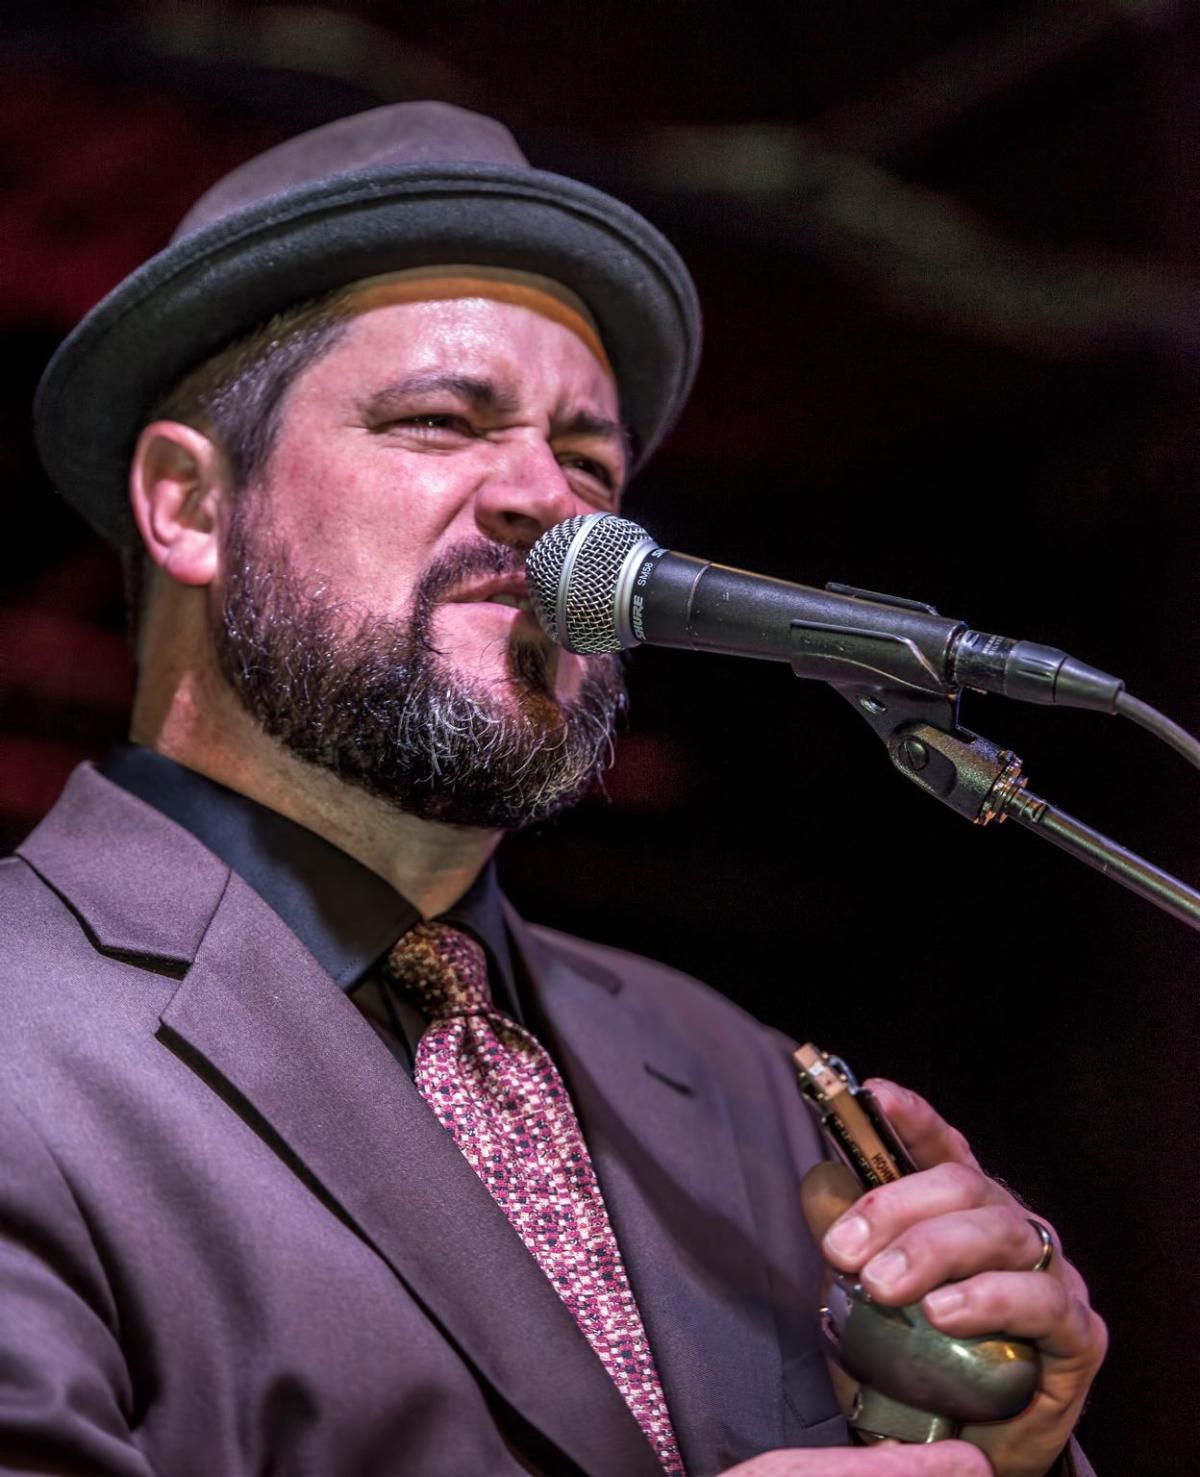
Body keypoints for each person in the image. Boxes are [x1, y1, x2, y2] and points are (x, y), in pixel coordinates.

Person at [2, 102, 1104, 1477]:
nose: (549, 498)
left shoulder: (738, 1072)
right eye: (435, 422)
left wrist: (993, 1440)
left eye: (589, 460)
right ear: (188, 504)